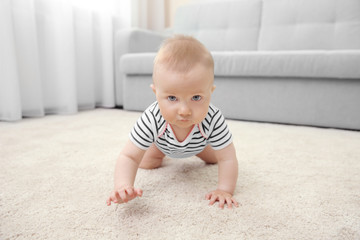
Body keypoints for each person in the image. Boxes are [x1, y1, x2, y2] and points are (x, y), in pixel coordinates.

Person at [106, 35, 239, 209]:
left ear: (210, 92)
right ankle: (157, 152)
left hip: (200, 144)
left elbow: (228, 158)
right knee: (147, 163)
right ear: (156, 93)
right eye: (172, 98)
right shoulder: (152, 117)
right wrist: (122, 186)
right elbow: (128, 156)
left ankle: (200, 149)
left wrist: (225, 190)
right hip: (162, 144)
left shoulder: (213, 118)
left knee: (216, 158)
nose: (184, 110)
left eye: (196, 97)